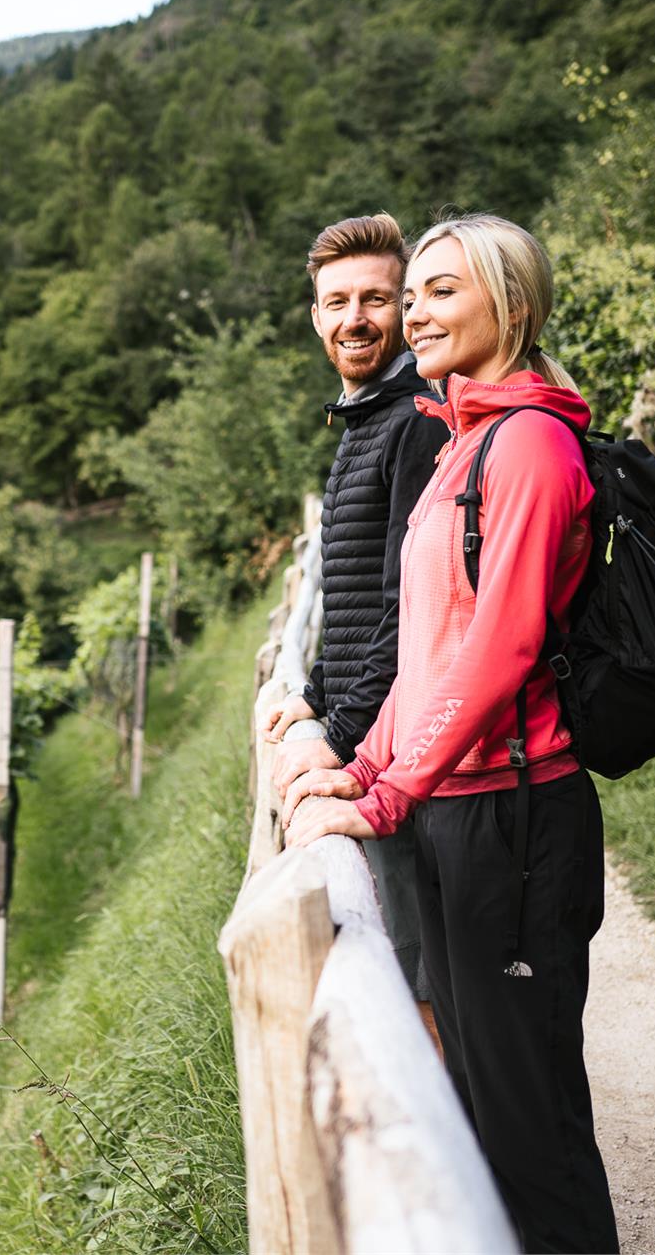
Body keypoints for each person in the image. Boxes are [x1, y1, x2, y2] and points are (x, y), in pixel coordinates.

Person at [278, 213, 619, 1253]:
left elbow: (500, 648)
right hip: (459, 815)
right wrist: (361, 764)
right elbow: (426, 649)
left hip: (515, 820)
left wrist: (381, 792)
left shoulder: (531, 446)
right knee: (472, 1103)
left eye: (437, 291)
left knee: (531, 1132)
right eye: (409, 292)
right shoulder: (468, 437)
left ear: (508, 305)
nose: (412, 312)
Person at [261, 212, 447, 1046]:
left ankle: (443, 1169)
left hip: (399, 755)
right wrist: (308, 696)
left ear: (404, 309)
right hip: (374, 747)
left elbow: (408, 609)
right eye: (336, 301)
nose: (354, 319)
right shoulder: (364, 416)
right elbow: (353, 600)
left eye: (375, 299)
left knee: (418, 983)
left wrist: (331, 737)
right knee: (404, 966)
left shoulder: (413, 420)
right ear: (315, 315)